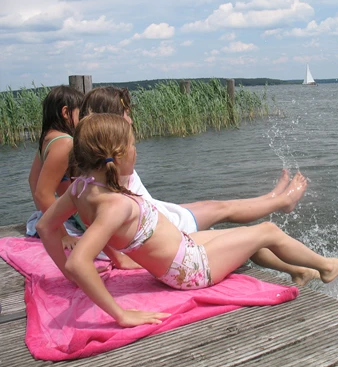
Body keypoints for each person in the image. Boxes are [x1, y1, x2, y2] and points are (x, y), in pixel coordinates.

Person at [36, 114, 338, 327]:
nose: (137, 151)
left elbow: (45, 227)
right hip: (189, 269)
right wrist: (120, 314)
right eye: (134, 145)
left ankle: (298, 271)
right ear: (117, 155)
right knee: (267, 230)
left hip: (180, 253)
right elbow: (80, 261)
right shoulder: (114, 205)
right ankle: (326, 268)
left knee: (239, 235)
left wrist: (73, 279)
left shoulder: (81, 188)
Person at [79, 86, 320, 285]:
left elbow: (94, 216)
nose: (130, 119)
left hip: (156, 216)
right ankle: (280, 201)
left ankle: (274, 198)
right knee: (223, 210)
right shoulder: (113, 165)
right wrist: (121, 259)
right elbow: (107, 220)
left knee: (219, 209)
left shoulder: (92, 171)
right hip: (164, 230)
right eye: (125, 113)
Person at [27, 85, 84, 249]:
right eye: (81, 114)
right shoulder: (65, 143)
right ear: (66, 112)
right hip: (80, 216)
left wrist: (43, 214)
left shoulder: (48, 139)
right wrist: (63, 235)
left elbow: (32, 180)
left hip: (69, 214)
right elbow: (43, 193)